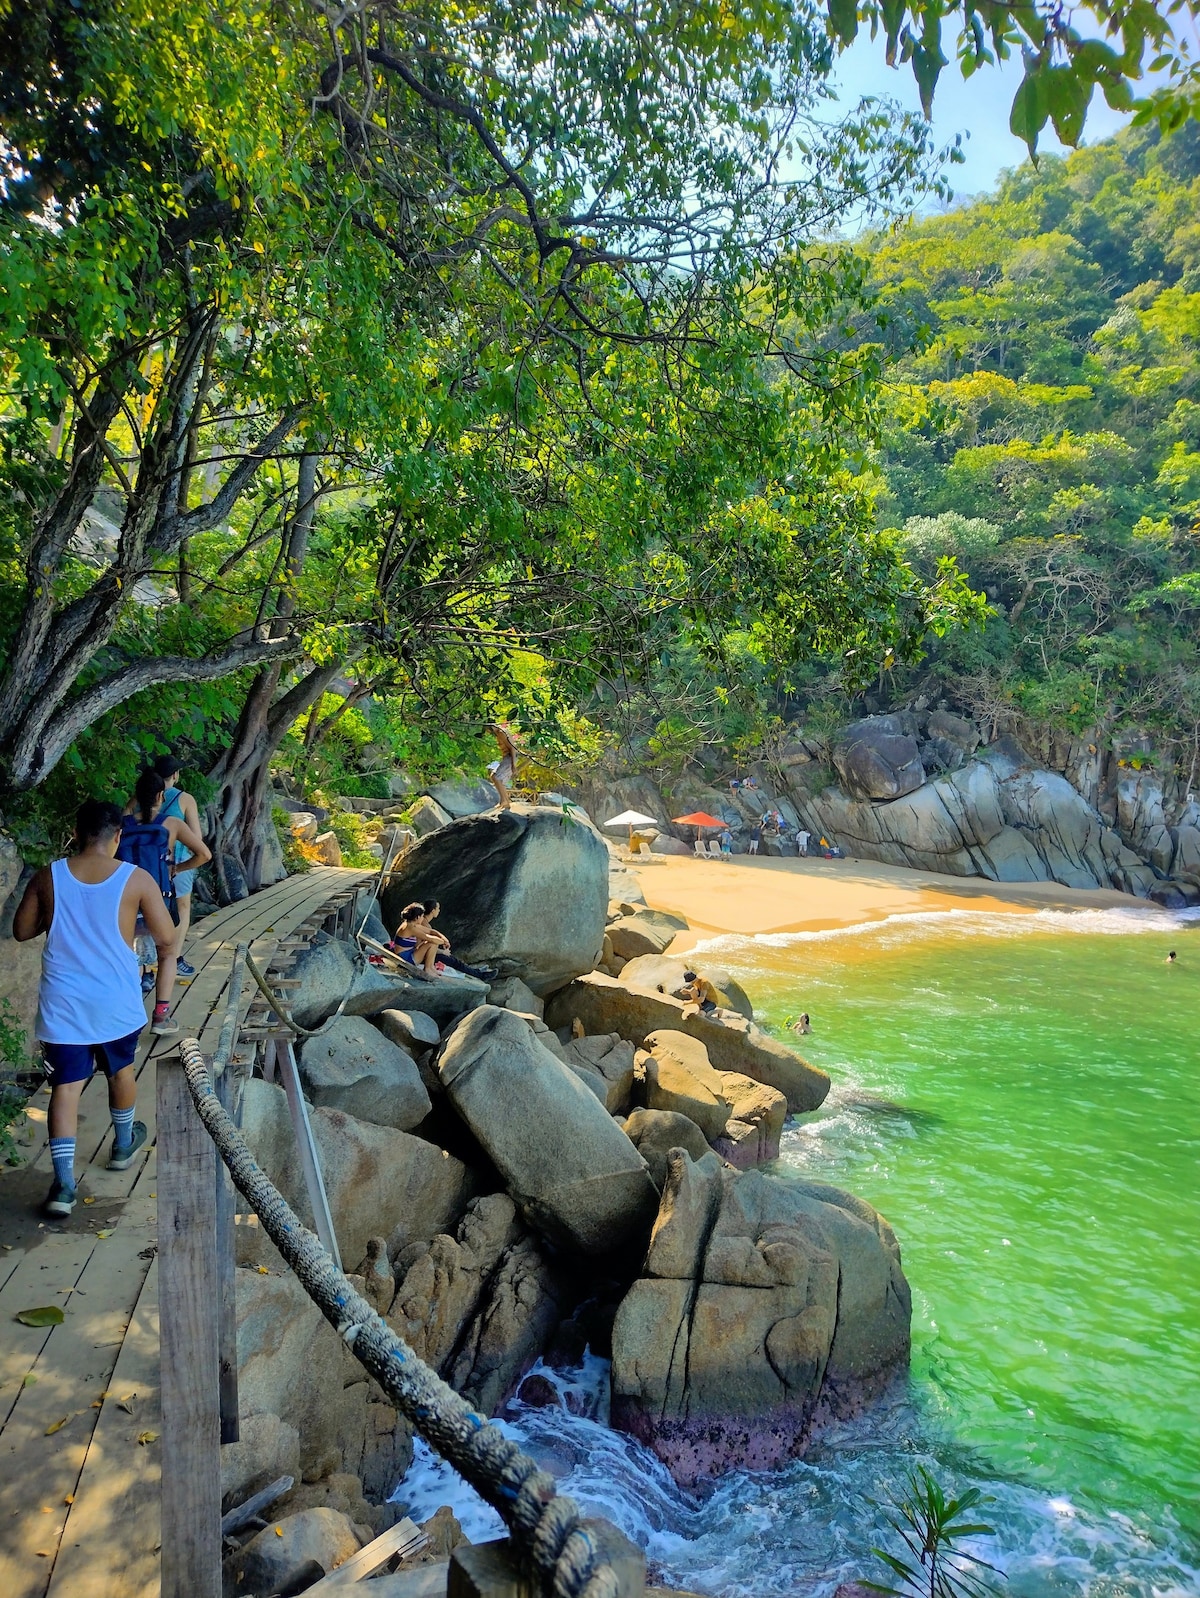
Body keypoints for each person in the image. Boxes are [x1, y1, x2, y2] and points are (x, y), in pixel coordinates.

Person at [13, 799, 182, 1217]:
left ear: (75, 831)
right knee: (120, 1071)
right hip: (114, 1003)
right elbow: (166, 937)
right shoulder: (136, 879)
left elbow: (21, 931)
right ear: (118, 836)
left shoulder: (48, 877)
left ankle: (64, 1185)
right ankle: (123, 1144)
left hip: (64, 1006)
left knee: (65, 1089)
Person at [119, 769, 209, 1015]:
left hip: (126, 902)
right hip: (160, 901)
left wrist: (131, 805)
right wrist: (177, 868)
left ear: (136, 796)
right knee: (167, 954)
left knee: (131, 958)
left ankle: (131, 1017)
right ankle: (161, 1016)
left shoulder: (121, 826)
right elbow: (204, 854)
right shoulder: (171, 824)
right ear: (161, 795)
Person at [151, 753, 206, 978]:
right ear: (175, 774)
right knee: (182, 908)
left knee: (148, 909)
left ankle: (145, 965)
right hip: (177, 862)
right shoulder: (184, 799)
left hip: (146, 861)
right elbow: (197, 837)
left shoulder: (143, 796)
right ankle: (174, 958)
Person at [390, 901, 441, 974]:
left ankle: (430, 967)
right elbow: (430, 938)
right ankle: (428, 968)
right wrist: (442, 942)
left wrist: (445, 941)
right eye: (422, 916)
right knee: (433, 943)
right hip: (405, 957)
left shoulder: (411, 924)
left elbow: (431, 931)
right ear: (417, 917)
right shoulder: (410, 928)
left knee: (433, 943)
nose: (423, 918)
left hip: (408, 953)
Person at [485, 722, 524, 810]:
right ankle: (505, 801)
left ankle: (504, 801)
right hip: (507, 757)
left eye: (487, 730)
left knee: (496, 777)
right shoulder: (498, 734)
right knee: (496, 778)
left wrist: (513, 765)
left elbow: (512, 748)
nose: (487, 732)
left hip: (511, 757)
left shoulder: (501, 732)